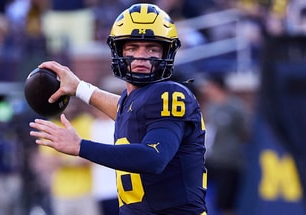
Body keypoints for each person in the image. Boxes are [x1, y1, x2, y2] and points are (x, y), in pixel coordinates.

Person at [29, 3, 207, 215]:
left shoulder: (171, 95)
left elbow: (154, 158)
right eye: (132, 48)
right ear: (118, 50)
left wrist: (80, 146)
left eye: (152, 48)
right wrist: (79, 88)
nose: (141, 56)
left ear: (167, 53)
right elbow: (127, 112)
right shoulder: (134, 104)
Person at [199, 74, 249, 215]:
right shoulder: (210, 107)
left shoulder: (236, 107)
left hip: (229, 162)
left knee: (226, 203)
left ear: (216, 86)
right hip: (210, 159)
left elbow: (246, 132)